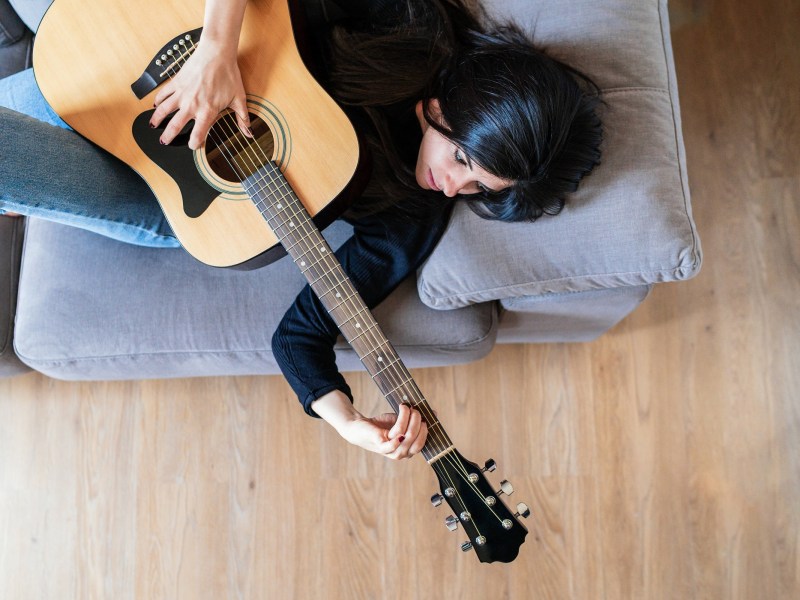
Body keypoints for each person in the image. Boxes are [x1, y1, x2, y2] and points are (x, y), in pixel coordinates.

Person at [0, 0, 602, 460]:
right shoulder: (404, 24)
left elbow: (302, 334)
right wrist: (215, 51)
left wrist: (343, 418)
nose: (454, 189)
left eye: (477, 192)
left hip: (171, 184)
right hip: (166, 29)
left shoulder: (413, 212)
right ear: (450, 107)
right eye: (465, 163)